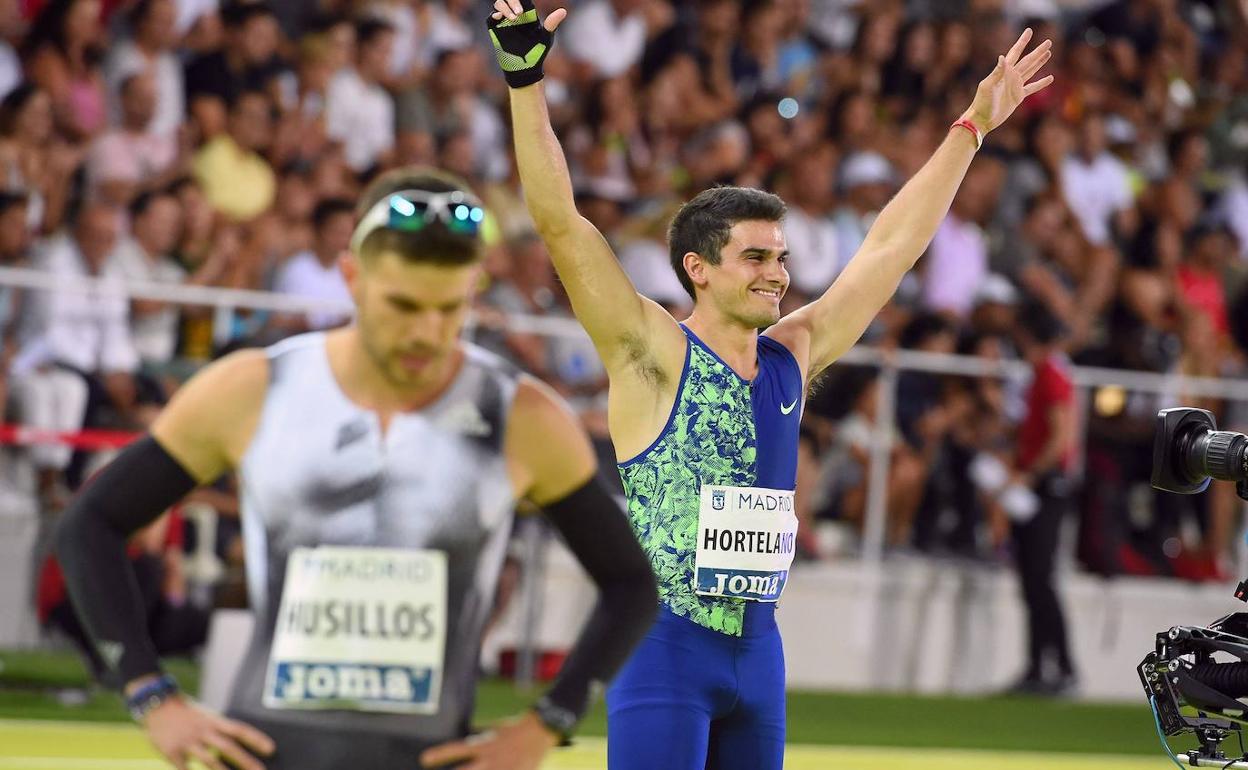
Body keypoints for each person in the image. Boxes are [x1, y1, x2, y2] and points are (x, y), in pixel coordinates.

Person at [487, 2, 1053, 766]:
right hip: (665, 651)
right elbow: (561, 223)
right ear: (698, 268)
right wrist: (525, 82)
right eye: (754, 258)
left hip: (760, 658)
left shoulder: (794, 353)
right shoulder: (652, 350)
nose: (777, 275)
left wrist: (972, 127)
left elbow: (890, 246)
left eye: (780, 258)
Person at [54, 166, 658, 770]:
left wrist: (548, 723)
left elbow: (632, 581)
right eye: (403, 305)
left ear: (475, 289)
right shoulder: (253, 389)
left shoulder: (521, 416)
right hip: (269, 754)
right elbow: (90, 525)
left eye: (450, 308)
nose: (426, 333)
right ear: (351, 277)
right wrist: (150, 694)